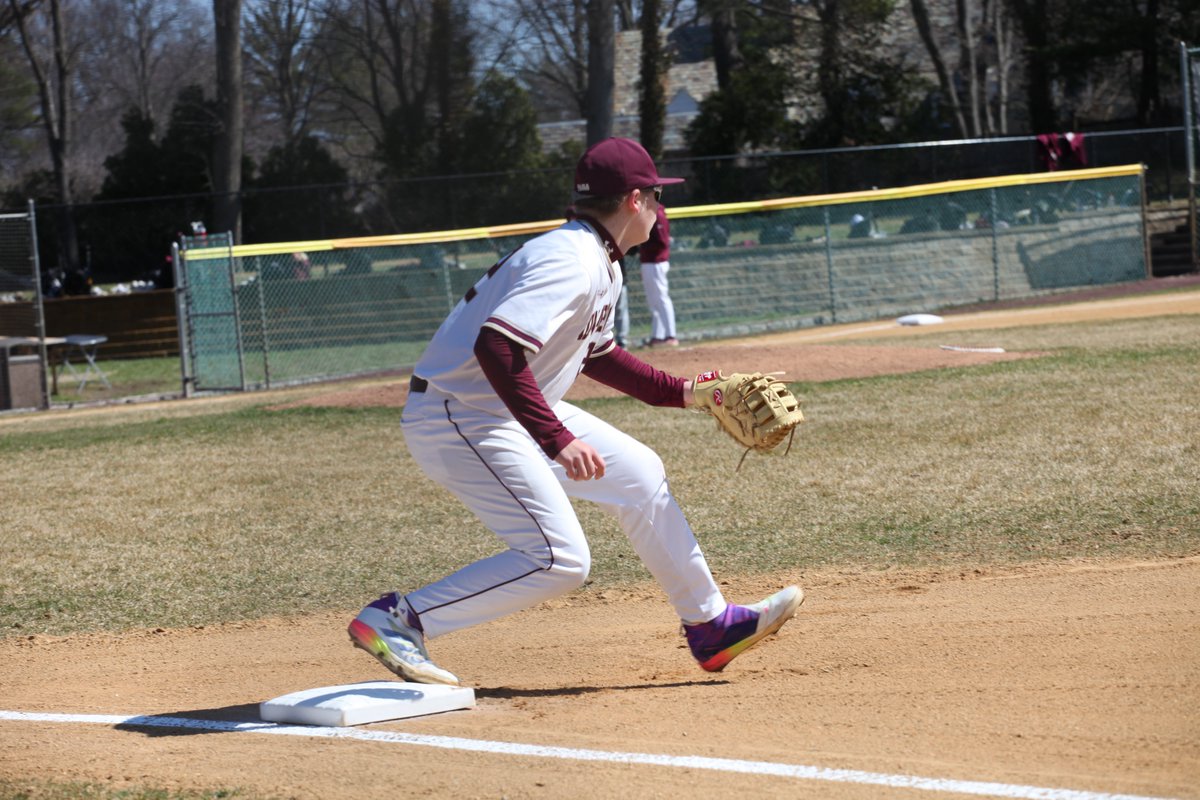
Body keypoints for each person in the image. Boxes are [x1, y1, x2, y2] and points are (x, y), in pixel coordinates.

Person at [348, 137, 803, 686]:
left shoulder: (599, 260)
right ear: (635, 200)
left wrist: (687, 391)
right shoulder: (570, 259)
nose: (662, 210)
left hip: (498, 409)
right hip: (461, 415)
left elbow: (601, 355)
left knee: (639, 474)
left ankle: (711, 626)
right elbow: (496, 347)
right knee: (559, 558)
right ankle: (399, 619)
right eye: (659, 196)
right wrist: (556, 437)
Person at [640, 203, 678, 347]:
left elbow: (662, 241)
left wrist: (642, 241)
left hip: (656, 262)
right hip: (649, 261)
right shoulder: (649, 212)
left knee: (662, 299)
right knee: (653, 301)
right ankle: (658, 335)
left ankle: (671, 335)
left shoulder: (657, 213)